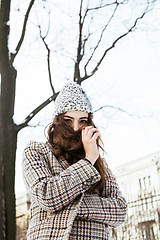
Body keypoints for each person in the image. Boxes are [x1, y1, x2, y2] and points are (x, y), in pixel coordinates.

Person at [23, 82, 127, 240]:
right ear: (58, 120)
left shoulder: (100, 162)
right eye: (68, 120)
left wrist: (67, 202)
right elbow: (47, 196)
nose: (76, 128)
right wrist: (88, 160)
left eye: (83, 121)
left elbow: (119, 210)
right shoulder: (37, 151)